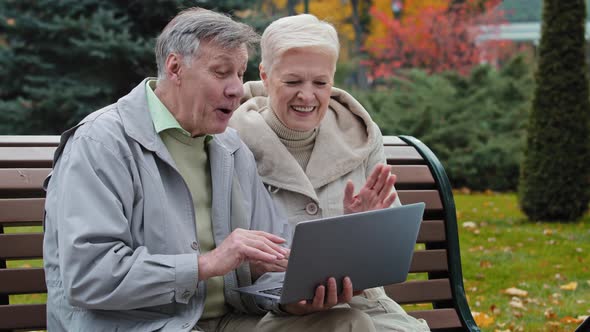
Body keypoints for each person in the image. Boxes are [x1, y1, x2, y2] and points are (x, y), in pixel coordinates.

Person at [42, 8, 378, 332]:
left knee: (348, 323)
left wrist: (294, 299)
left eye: (239, 73)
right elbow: (89, 276)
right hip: (141, 324)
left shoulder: (229, 147)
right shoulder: (102, 143)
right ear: (175, 68)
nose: (236, 88)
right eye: (221, 72)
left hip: (231, 320)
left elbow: (276, 255)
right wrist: (206, 264)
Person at [229, 14, 431, 331]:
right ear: (265, 77)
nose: (307, 96)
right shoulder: (229, 141)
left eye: (321, 83)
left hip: (364, 306)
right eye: (293, 81)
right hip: (266, 313)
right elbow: (215, 257)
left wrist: (367, 229)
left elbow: (391, 247)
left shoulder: (360, 134)